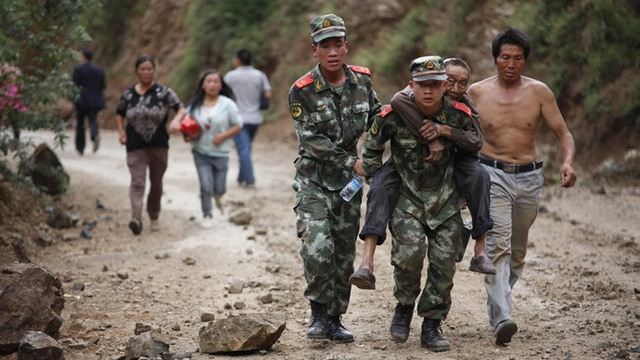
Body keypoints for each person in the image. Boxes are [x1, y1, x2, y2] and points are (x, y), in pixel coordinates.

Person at [467, 28, 576, 345]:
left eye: (517, 58)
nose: (511, 64)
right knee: (498, 245)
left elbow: (563, 133)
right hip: (491, 172)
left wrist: (568, 162)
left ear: (525, 60)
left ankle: (497, 303)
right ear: (495, 59)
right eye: (505, 57)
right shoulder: (477, 92)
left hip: (529, 176)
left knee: (517, 253)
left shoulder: (540, 92)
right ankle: (503, 316)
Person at [349, 58, 496, 292]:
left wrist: (443, 131)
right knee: (380, 185)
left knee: (480, 175)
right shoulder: (406, 101)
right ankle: (366, 263)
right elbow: (396, 103)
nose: (455, 89)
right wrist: (431, 138)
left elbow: (476, 140)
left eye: (462, 84)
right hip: (406, 169)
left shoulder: (461, 107)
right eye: (450, 82)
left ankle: (480, 249)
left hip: (452, 167)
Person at [362, 55, 473, 352]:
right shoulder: (392, 115)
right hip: (407, 198)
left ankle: (432, 324)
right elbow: (371, 148)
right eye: (422, 84)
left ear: (444, 85)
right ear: (411, 85)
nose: (428, 90)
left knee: (443, 264)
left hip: (446, 200)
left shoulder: (458, 114)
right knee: (408, 258)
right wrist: (378, 181)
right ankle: (404, 305)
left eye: (435, 84)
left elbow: (475, 144)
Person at [288, 14, 382, 343]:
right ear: (314, 50)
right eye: (324, 45)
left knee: (343, 252)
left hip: (348, 186)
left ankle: (335, 318)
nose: (332, 51)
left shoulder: (363, 82)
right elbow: (311, 140)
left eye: (337, 44)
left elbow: (378, 119)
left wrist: (374, 153)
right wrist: (351, 161)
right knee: (318, 248)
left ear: (346, 47)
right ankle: (317, 314)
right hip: (313, 181)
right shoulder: (301, 91)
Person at [115, 55, 185, 235]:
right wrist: (121, 131)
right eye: (142, 69)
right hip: (135, 145)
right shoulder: (129, 94)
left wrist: (176, 121)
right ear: (137, 71)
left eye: (149, 69)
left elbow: (181, 108)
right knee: (137, 182)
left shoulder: (164, 93)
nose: (146, 72)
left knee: (156, 182)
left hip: (159, 145)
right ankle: (136, 218)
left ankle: (154, 215)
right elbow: (119, 113)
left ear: (154, 71)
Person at [169, 69, 242, 228]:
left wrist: (223, 136)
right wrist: (183, 132)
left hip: (221, 152)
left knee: (219, 188)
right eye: (208, 81)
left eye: (215, 81)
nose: (212, 84)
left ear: (220, 85)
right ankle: (207, 214)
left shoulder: (228, 104)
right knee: (205, 185)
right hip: (200, 151)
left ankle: (218, 197)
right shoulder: (195, 104)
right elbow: (186, 123)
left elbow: (238, 124)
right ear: (203, 85)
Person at [223, 49, 272, 188]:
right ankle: (241, 178)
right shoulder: (259, 75)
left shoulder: (230, 76)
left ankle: (250, 180)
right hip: (255, 118)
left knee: (243, 149)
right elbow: (268, 93)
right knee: (245, 148)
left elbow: (223, 95)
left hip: (238, 119)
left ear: (238, 60)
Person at [72, 49, 106, 154]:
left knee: (80, 124)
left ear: (83, 57)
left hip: (81, 101)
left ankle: (80, 147)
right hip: (95, 100)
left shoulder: (78, 69)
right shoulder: (99, 70)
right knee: (93, 120)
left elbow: (74, 85)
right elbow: (103, 85)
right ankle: (95, 135)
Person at [0, 63, 27, 145]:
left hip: (14, 104)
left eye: (14, 75)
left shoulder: (17, 85)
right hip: (2, 103)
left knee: (15, 122)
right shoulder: (3, 84)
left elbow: (22, 94)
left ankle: (16, 142)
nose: (12, 76)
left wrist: (15, 97)